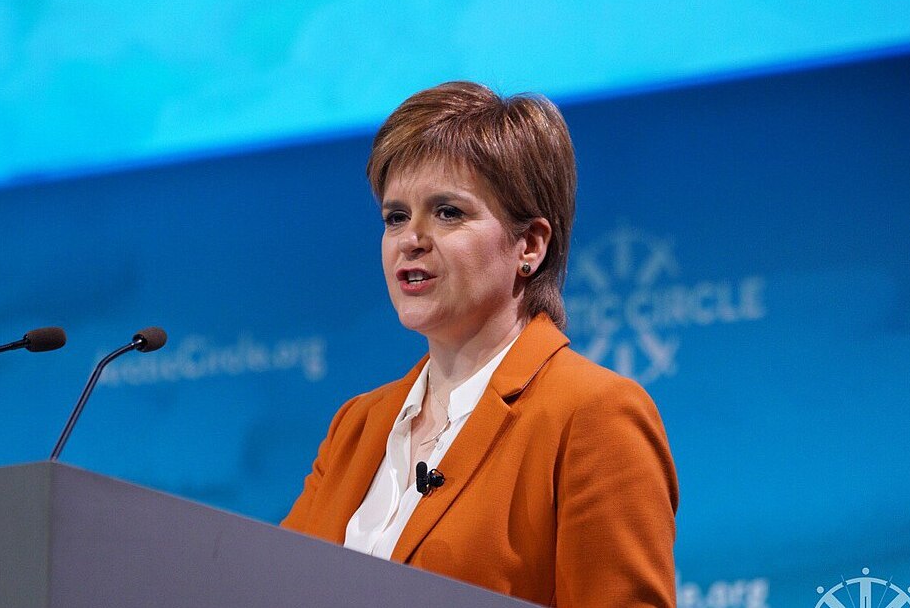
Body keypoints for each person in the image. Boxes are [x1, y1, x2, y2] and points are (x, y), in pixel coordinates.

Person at [282, 81, 678, 607]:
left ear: (530, 246)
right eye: (396, 217)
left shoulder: (594, 416)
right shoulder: (356, 427)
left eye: (448, 212)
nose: (411, 239)